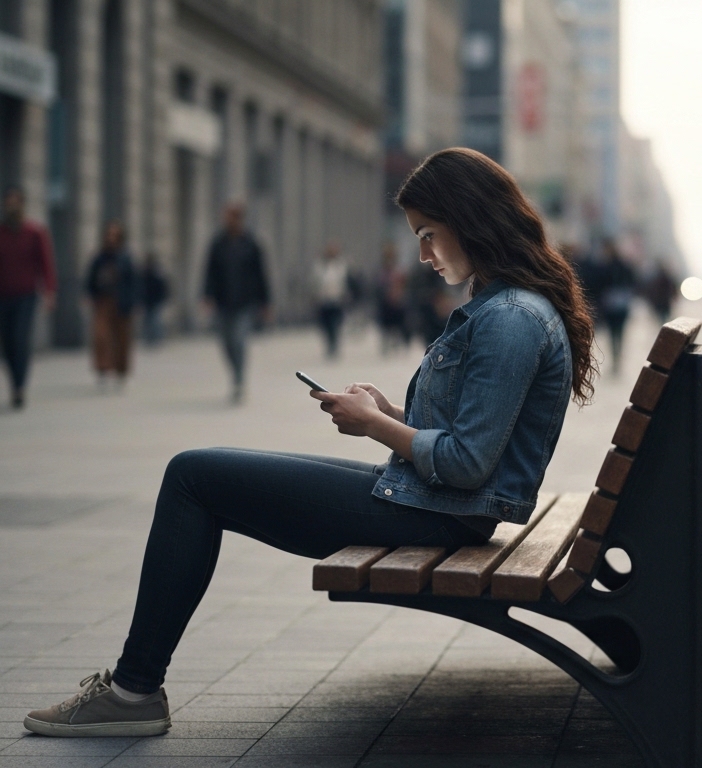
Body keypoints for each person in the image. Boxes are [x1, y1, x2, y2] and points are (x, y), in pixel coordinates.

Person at [22, 147, 598, 740]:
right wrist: (388, 412)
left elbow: (468, 464)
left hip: (443, 514)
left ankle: (133, 691)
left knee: (194, 476)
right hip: (439, 506)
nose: (422, 254)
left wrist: (374, 425)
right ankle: (132, 689)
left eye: (429, 234)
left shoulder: (509, 317)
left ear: (470, 220)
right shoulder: (512, 307)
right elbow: (474, 440)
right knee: (202, 474)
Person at [202, 203, 270, 403]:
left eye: (232, 216)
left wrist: (266, 302)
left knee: (239, 340)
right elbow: (209, 272)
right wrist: (207, 296)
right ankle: (235, 372)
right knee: (226, 342)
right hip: (223, 301)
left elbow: (261, 274)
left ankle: (239, 379)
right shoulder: (218, 243)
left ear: (239, 219)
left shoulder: (251, 243)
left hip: (245, 302)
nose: (228, 220)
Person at [0, 186, 57, 410]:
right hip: (3, 296)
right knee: (7, 344)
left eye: (16, 201)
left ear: (22, 204)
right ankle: (14, 382)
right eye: (9, 201)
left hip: (26, 295)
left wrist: (49, 291)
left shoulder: (34, 232)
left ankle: (20, 388)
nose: (12, 205)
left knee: (20, 340)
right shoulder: (2, 233)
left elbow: (46, 263)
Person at [84, 220, 139, 388]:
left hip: (122, 302)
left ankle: (121, 371)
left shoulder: (126, 258)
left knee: (122, 339)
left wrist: (134, 301)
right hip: (103, 301)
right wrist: (90, 295)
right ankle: (103, 369)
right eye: (109, 234)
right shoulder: (99, 258)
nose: (111, 238)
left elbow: (134, 282)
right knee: (101, 336)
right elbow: (91, 279)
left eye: (115, 235)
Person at [598, 239, 637, 374]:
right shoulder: (624, 266)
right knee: (619, 333)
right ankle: (617, 359)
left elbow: (601, 284)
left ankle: (616, 359)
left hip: (612, 305)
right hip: (621, 304)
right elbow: (632, 281)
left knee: (613, 333)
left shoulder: (607, 266)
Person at [314, 241, 350, 359]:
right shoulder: (320, 265)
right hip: (324, 300)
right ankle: (329, 344)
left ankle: (334, 344)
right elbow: (315, 282)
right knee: (325, 325)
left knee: (335, 324)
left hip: (337, 300)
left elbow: (346, 281)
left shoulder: (341, 264)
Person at [375, 242, 410, 354]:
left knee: (398, 323)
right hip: (384, 301)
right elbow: (377, 285)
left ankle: (397, 341)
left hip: (397, 301)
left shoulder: (399, 268)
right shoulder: (381, 269)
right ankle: (387, 342)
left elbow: (404, 283)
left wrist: (398, 293)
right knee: (386, 324)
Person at [138, 253, 170, 347]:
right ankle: (149, 339)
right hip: (148, 300)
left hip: (155, 300)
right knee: (149, 320)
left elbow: (163, 286)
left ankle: (156, 338)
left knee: (154, 320)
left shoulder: (157, 272)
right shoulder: (144, 273)